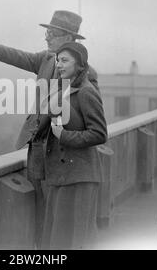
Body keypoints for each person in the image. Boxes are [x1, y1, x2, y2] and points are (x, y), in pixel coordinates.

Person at [0, 10, 102, 248]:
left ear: (69, 39)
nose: (46, 37)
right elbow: (15, 56)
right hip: (39, 151)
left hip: (64, 157)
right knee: (43, 215)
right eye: (46, 32)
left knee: (63, 224)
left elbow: (89, 122)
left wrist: (62, 123)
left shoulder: (86, 75)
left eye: (52, 33)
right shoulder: (44, 60)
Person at [41, 41, 107, 249]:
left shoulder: (86, 91)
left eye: (65, 60)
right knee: (60, 240)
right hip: (63, 175)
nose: (59, 65)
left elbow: (99, 133)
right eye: (57, 60)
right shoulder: (67, 89)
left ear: (79, 65)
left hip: (80, 177)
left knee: (76, 241)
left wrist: (64, 136)